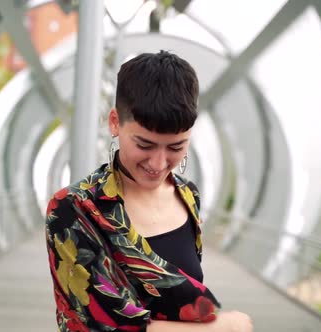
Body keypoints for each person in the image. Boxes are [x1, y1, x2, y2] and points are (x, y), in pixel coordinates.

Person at [45, 50, 252, 332]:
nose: (158, 163)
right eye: (144, 145)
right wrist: (223, 328)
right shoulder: (74, 209)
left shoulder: (188, 196)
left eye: (176, 147)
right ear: (115, 122)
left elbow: (183, 300)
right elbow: (99, 324)